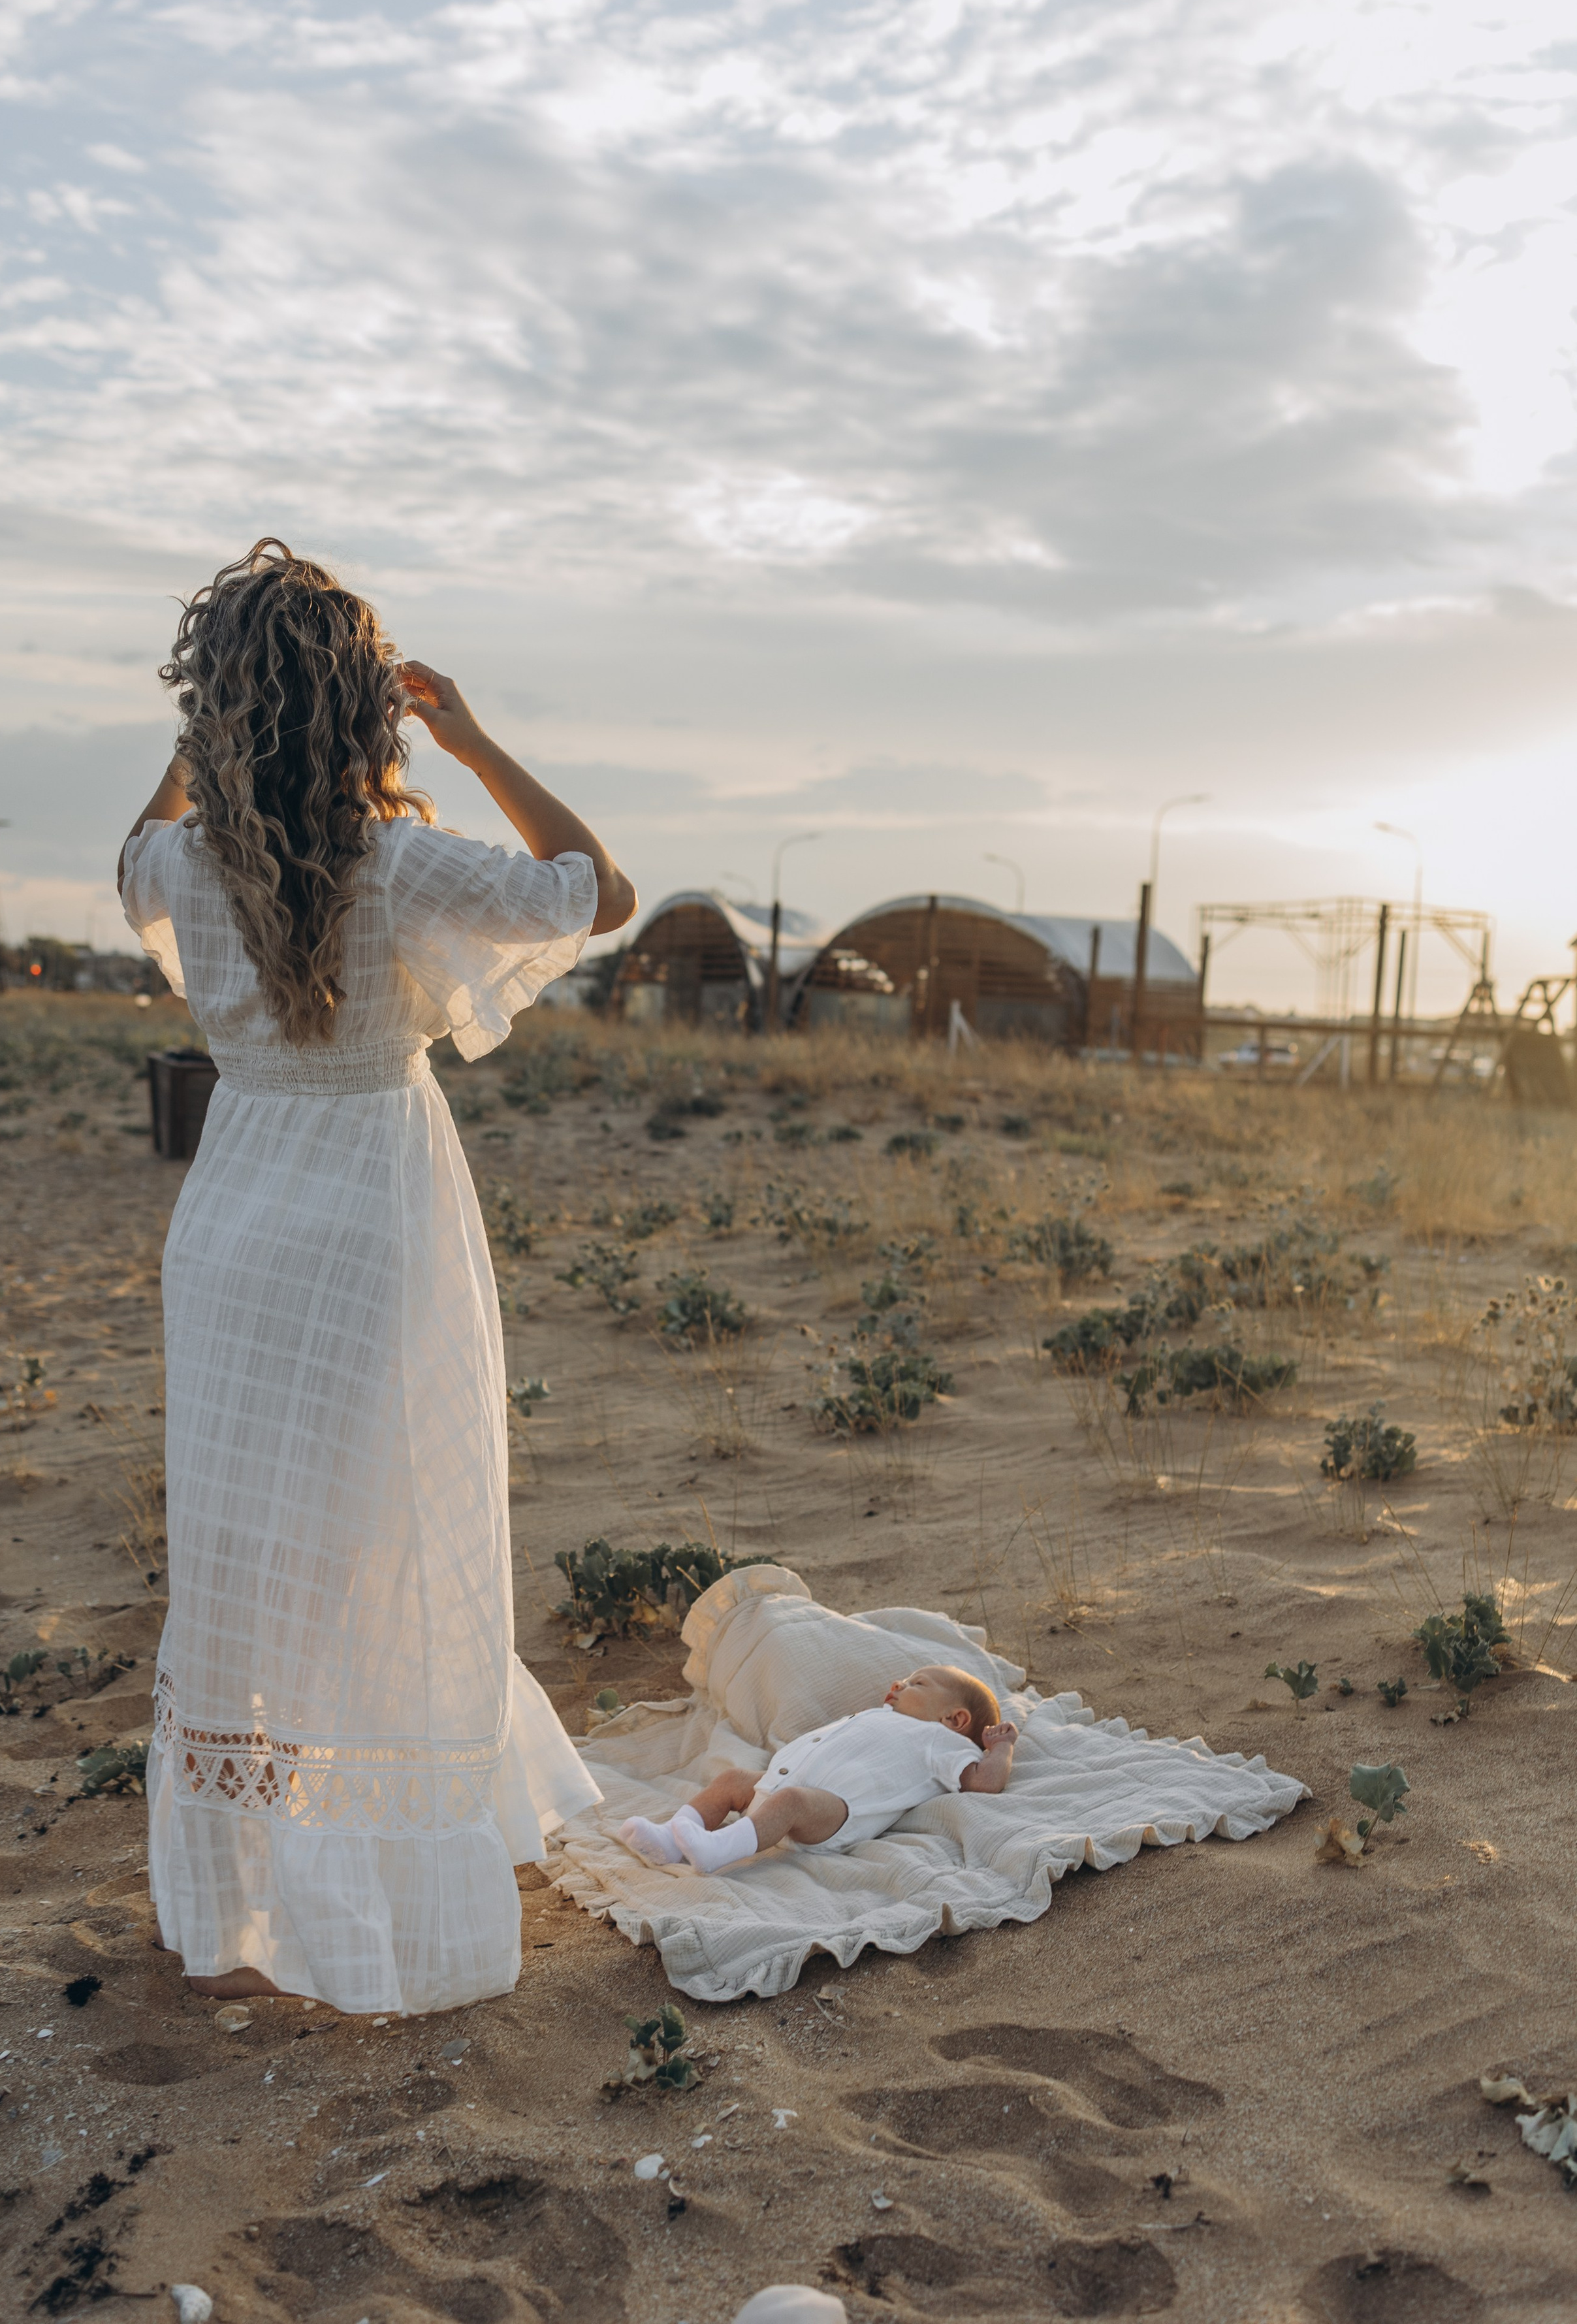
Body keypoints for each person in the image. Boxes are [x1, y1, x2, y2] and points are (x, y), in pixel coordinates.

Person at [116, 538, 635, 2014]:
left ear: (218, 709)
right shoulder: (393, 863)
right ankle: (375, 1881)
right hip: (370, 1219)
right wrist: (469, 734)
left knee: (248, 1551)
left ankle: (243, 1882)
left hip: (233, 1226)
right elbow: (596, 890)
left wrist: (186, 763)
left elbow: (122, 861)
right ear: (365, 711)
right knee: (384, 1530)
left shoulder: (186, 860)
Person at [620, 1665, 1018, 1872]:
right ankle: (672, 1839)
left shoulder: (941, 1742)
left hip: (835, 1814)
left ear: (955, 1719)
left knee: (792, 1801)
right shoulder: (879, 1717)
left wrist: (1000, 1749)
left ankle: (718, 1851)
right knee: (732, 1780)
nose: (898, 1684)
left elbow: (982, 1784)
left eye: (917, 1683)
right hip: (778, 1787)